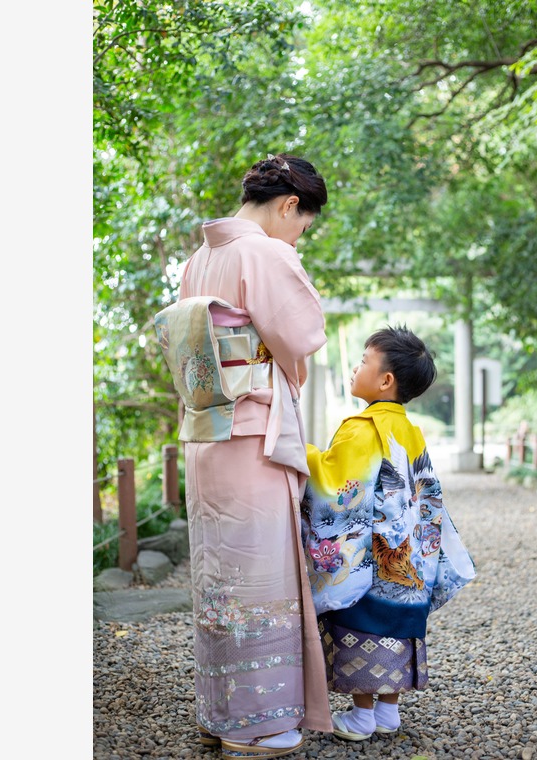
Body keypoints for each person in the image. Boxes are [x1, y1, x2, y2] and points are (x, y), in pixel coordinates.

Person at [167, 153, 332, 759]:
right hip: (251, 430)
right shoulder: (263, 251)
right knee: (258, 574)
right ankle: (256, 721)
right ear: (290, 204)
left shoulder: (199, 256)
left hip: (208, 430)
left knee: (219, 571)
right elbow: (303, 335)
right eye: (302, 224)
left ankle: (221, 709)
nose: (298, 236)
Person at [300, 325, 477, 742]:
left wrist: (304, 454)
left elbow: (336, 483)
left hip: (375, 561)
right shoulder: (410, 430)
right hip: (411, 559)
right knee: (396, 629)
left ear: (385, 381)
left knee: (363, 625)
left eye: (364, 361)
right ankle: (388, 713)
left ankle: (362, 718)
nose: (356, 367)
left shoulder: (362, 427)